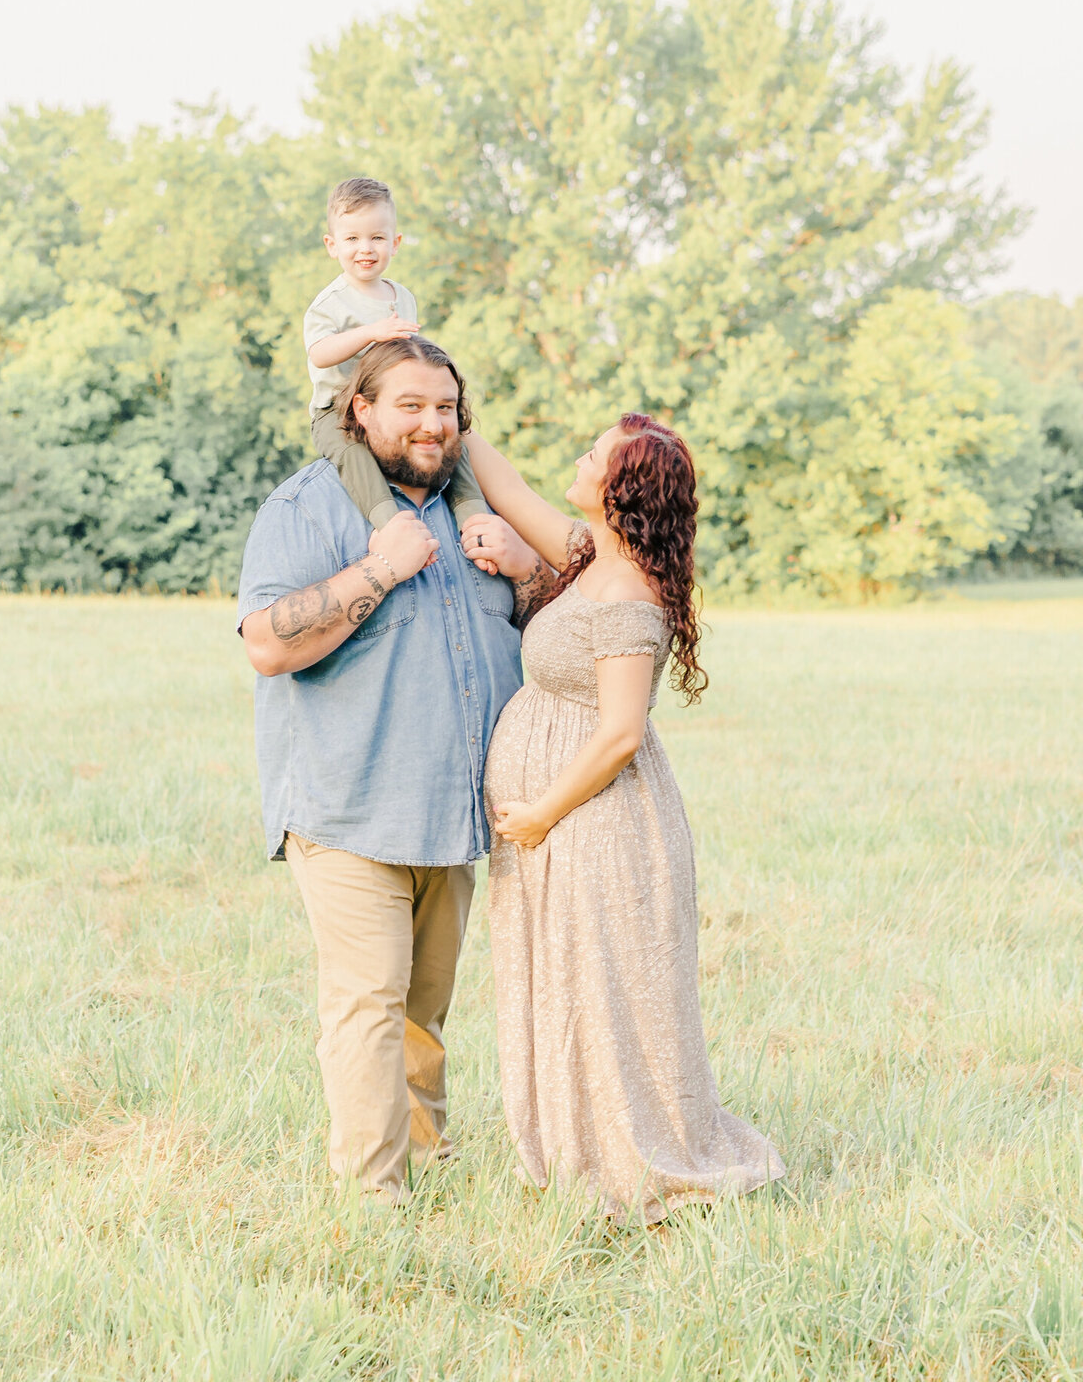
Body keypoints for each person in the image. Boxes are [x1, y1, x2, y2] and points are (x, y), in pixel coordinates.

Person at [237, 336, 548, 1204]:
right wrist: (379, 568)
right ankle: (375, 1201)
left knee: (423, 1010)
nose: (431, 423)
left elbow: (556, 628)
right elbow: (266, 645)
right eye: (408, 405)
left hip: (455, 815)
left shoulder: (482, 511)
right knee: (370, 1002)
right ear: (359, 411)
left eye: (445, 407)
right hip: (348, 808)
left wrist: (525, 569)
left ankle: (430, 1160)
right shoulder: (306, 508)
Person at [461, 414, 786, 1221]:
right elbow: (507, 486)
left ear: (621, 490)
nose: (578, 457)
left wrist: (539, 812)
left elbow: (618, 734)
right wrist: (445, 403)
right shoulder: (586, 554)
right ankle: (574, 1144)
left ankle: (624, 1155)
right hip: (560, 823)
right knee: (565, 978)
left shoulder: (630, 595)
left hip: (595, 823)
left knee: (602, 988)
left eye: (593, 455)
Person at [304, 176, 488, 539]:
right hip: (337, 410)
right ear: (332, 245)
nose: (365, 248)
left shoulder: (401, 295)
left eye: (377, 237)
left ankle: (473, 515)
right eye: (352, 238)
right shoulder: (330, 304)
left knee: (453, 443)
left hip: (395, 404)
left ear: (395, 243)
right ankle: (390, 524)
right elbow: (320, 353)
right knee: (353, 454)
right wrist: (370, 333)